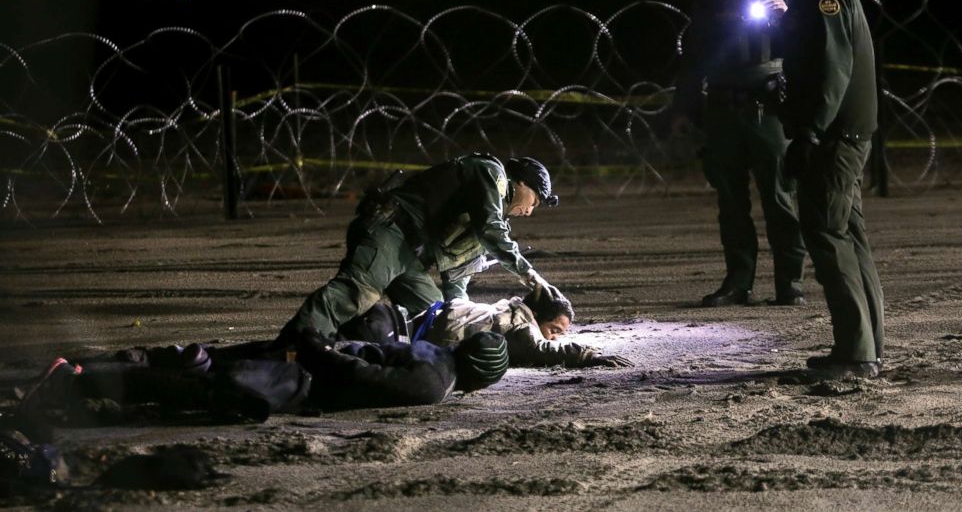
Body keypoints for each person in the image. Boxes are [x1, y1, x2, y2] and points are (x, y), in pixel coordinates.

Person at [767, 0, 884, 378]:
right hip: (842, 132)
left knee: (827, 235)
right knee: (848, 236)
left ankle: (856, 355)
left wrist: (811, 130)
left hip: (835, 137)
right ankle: (866, 346)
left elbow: (834, 67)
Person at [277, 154, 561, 343]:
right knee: (354, 294)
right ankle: (291, 349)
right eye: (534, 200)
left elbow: (458, 278)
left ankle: (347, 344)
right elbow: (490, 229)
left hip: (411, 258)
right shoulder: (491, 174)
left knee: (434, 319)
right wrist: (529, 274)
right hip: (391, 233)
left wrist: (462, 314)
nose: (530, 210)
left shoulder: (491, 214)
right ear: (521, 182)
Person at [671, 0, 807, 308]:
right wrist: (683, 108)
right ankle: (738, 282)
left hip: (769, 106)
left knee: (779, 199)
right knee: (730, 202)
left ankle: (789, 282)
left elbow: (810, 46)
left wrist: (788, 17)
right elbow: (694, 56)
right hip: (722, 108)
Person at [15, 331, 510, 421]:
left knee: (203, 365)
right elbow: (358, 376)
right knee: (197, 389)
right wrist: (316, 349)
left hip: (300, 361)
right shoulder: (433, 384)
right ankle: (76, 379)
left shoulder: (434, 357)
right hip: (297, 379)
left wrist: (319, 341)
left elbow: (371, 351)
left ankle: (86, 368)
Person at [340, 288, 633, 368]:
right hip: (390, 329)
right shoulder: (521, 321)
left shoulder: (510, 309)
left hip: (391, 320)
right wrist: (586, 355)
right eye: (554, 329)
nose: (554, 337)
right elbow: (540, 349)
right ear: (537, 316)